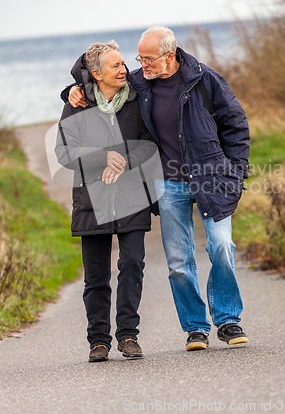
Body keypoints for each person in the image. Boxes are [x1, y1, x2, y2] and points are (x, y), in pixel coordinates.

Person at [63, 26, 250, 352]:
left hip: (211, 175)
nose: (139, 65)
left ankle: (228, 319)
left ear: (170, 54)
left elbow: (235, 123)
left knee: (221, 246)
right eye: (139, 58)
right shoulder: (139, 84)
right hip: (168, 182)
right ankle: (195, 328)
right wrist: (71, 90)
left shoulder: (205, 80)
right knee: (178, 261)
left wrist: (235, 171)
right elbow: (95, 78)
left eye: (147, 59)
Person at [55, 41, 158, 362]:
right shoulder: (77, 104)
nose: (124, 69)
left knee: (132, 264)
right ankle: (98, 341)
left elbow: (149, 143)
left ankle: (128, 335)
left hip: (131, 195)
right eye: (115, 66)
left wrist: (124, 159)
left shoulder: (137, 100)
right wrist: (103, 157)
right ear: (96, 73)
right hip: (92, 199)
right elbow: (64, 152)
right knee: (96, 277)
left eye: (123, 63)